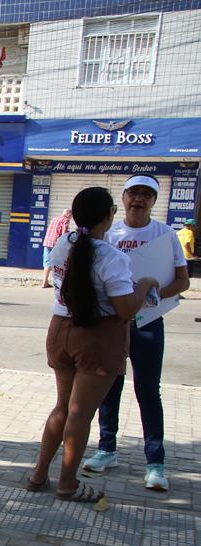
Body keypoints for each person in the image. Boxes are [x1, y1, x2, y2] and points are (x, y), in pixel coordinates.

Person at [28, 187, 157, 503]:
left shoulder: (63, 243)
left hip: (60, 330)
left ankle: (38, 475)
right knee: (80, 414)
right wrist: (144, 285)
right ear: (109, 215)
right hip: (97, 338)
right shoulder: (112, 258)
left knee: (63, 407)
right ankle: (67, 484)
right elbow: (125, 309)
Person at [82, 175, 191, 492]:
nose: (139, 199)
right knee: (108, 386)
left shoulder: (165, 234)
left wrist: (153, 296)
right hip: (113, 323)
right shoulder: (109, 233)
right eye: (133, 193)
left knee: (148, 391)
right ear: (123, 198)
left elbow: (182, 281)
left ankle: (155, 463)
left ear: (154, 200)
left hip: (148, 324)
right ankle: (107, 450)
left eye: (146, 194)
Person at [43, 208, 72, 288]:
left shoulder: (54, 219)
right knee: (59, 264)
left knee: (47, 263)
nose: (71, 218)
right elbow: (64, 234)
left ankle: (44, 282)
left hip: (47, 242)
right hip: (56, 244)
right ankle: (60, 284)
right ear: (68, 214)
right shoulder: (65, 220)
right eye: (71, 216)